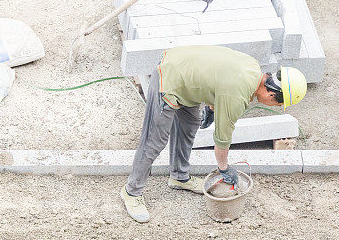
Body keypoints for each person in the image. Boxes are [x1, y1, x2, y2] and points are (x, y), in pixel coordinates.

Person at [120, 45, 307, 223]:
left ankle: (179, 176)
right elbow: (222, 137)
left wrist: (211, 107)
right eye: (278, 104)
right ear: (272, 94)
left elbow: (218, 78)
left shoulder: (252, 67)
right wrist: (224, 168)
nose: (275, 107)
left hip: (186, 73)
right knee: (155, 140)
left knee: (190, 123)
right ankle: (132, 191)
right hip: (169, 78)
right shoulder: (238, 95)